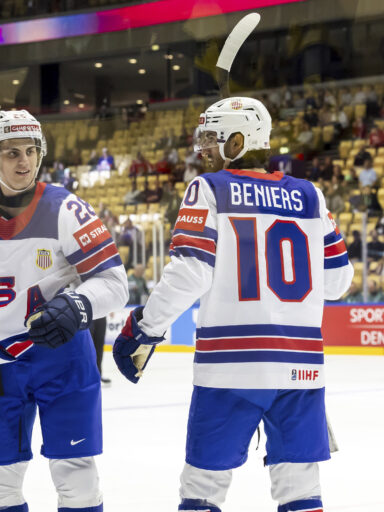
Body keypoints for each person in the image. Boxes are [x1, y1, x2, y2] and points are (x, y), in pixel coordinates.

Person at [112, 97, 353, 512]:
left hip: (230, 366)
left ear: (238, 141)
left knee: (203, 486)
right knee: (301, 490)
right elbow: (338, 282)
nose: (202, 149)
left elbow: (190, 273)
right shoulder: (311, 195)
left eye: (211, 138)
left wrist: (145, 328)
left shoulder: (209, 188)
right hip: (301, 368)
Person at [0, 109, 129, 511]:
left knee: (75, 476)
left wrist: (77, 304)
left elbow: (115, 284)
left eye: (30, 150)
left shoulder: (66, 208)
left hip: (62, 358)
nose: (23, 161)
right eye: (11, 153)